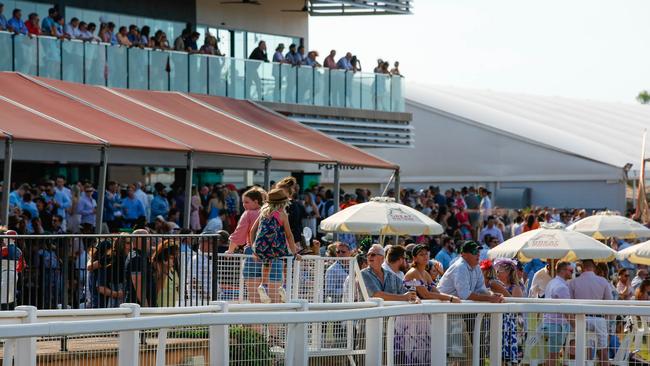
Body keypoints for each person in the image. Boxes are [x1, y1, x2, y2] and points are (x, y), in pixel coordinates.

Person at [249, 188, 300, 303]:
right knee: (285, 259)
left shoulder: (263, 213)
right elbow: (289, 235)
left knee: (266, 262)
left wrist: (254, 249)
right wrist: (295, 252)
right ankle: (283, 286)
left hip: (260, 247)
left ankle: (263, 285)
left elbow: (252, 231)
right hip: (276, 247)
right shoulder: (282, 215)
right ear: (284, 203)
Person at [568, 259, 613, 365]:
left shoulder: (573, 282)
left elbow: (569, 303)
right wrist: (609, 321)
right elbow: (610, 302)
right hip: (599, 319)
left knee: (576, 344)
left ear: (582, 268)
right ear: (594, 268)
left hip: (579, 319)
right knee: (602, 349)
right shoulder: (603, 281)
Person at [437, 241, 504, 302]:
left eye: (478, 251)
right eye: (474, 252)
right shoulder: (460, 267)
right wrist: (490, 298)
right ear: (464, 255)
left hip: (453, 307)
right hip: (442, 307)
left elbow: (481, 290)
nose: (478, 254)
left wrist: (492, 295)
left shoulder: (476, 267)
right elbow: (465, 295)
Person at [541, 261, 573, 366]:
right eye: (571, 270)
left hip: (549, 323)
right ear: (563, 271)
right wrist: (576, 326)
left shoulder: (552, 282)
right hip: (556, 325)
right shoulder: (562, 287)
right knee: (553, 356)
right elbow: (567, 311)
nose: (572, 273)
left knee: (552, 356)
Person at [124, 228, 156, 306]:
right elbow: (137, 283)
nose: (150, 241)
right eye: (148, 238)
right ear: (139, 239)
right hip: (138, 305)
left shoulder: (141, 255)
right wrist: (145, 305)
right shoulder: (136, 257)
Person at [152, 241, 179, 307]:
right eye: (172, 257)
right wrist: (165, 271)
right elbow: (156, 289)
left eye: (175, 256)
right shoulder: (156, 266)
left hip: (175, 304)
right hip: (162, 304)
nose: (174, 260)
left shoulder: (173, 269)